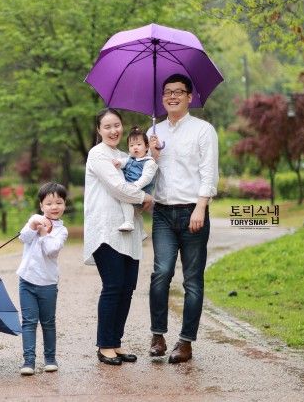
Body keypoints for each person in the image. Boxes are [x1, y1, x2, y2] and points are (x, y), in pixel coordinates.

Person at [148, 73, 219, 364]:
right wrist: (150, 156)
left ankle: (186, 341)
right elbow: (145, 173)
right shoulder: (155, 132)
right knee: (161, 273)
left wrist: (201, 207)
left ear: (190, 97)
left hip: (193, 211)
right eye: (167, 92)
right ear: (162, 97)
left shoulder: (203, 130)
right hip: (163, 212)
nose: (172, 96)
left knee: (192, 280)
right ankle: (157, 335)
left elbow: (209, 173)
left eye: (179, 91)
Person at [84, 108, 153, 366]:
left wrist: (152, 154)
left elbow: (141, 179)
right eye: (107, 126)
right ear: (99, 130)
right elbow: (118, 187)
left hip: (129, 231)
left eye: (117, 125)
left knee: (127, 289)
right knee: (113, 287)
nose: (113, 131)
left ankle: (116, 342)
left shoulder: (126, 156)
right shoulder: (98, 154)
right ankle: (104, 346)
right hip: (107, 230)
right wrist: (145, 198)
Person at [16, 182, 69, 376]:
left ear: (64, 205)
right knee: (29, 322)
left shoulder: (61, 231)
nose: (54, 207)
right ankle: (28, 360)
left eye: (59, 202)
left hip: (47, 284)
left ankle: (50, 359)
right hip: (27, 281)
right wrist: (33, 226)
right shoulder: (35, 219)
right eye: (49, 203)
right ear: (41, 206)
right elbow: (23, 238)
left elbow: (51, 250)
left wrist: (45, 233)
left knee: (48, 322)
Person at [112, 126, 158, 232]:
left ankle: (129, 222)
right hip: (130, 187)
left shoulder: (149, 162)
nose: (135, 147)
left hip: (141, 190)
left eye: (138, 144)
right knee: (129, 206)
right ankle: (139, 230)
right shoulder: (130, 158)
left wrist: (136, 185)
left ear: (147, 147)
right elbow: (124, 162)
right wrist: (119, 162)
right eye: (131, 145)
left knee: (125, 200)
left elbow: (146, 177)